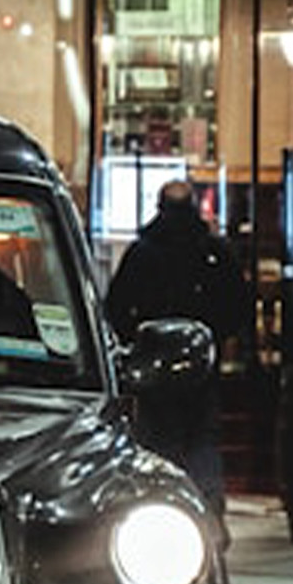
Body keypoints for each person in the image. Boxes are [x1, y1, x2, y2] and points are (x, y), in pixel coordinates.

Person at [105, 179, 249, 519]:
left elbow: (116, 307)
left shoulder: (143, 253)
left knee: (159, 446)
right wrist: (215, 337)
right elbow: (238, 305)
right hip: (201, 369)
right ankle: (208, 514)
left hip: (153, 370)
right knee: (202, 444)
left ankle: (160, 510)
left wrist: (136, 346)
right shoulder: (212, 251)